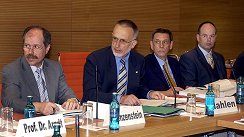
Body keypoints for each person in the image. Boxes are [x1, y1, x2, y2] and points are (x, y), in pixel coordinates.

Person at [83, 19, 164, 106]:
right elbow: (90, 94)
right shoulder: (95, 59)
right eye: (115, 38)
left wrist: (149, 93)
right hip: (100, 110)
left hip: (128, 111)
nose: (116, 45)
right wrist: (120, 99)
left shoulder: (139, 60)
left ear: (133, 44)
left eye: (123, 41)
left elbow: (138, 88)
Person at [2, 25, 80, 115]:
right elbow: (10, 102)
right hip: (28, 123)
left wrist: (72, 100)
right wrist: (39, 107)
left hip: (53, 122)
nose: (30, 52)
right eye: (27, 46)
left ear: (47, 48)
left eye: (36, 47)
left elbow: (66, 93)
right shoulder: (12, 70)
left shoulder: (55, 68)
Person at [179, 21, 227, 87]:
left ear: (215, 38)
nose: (209, 39)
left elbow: (224, 83)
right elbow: (190, 86)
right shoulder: (188, 58)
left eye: (212, 36)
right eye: (205, 36)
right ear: (198, 37)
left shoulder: (220, 58)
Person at [143, 28, 184, 96]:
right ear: (151, 45)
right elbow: (140, 89)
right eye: (157, 42)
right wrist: (165, 93)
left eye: (165, 42)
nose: (161, 46)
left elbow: (182, 85)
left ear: (171, 45)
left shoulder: (175, 62)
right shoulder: (144, 63)